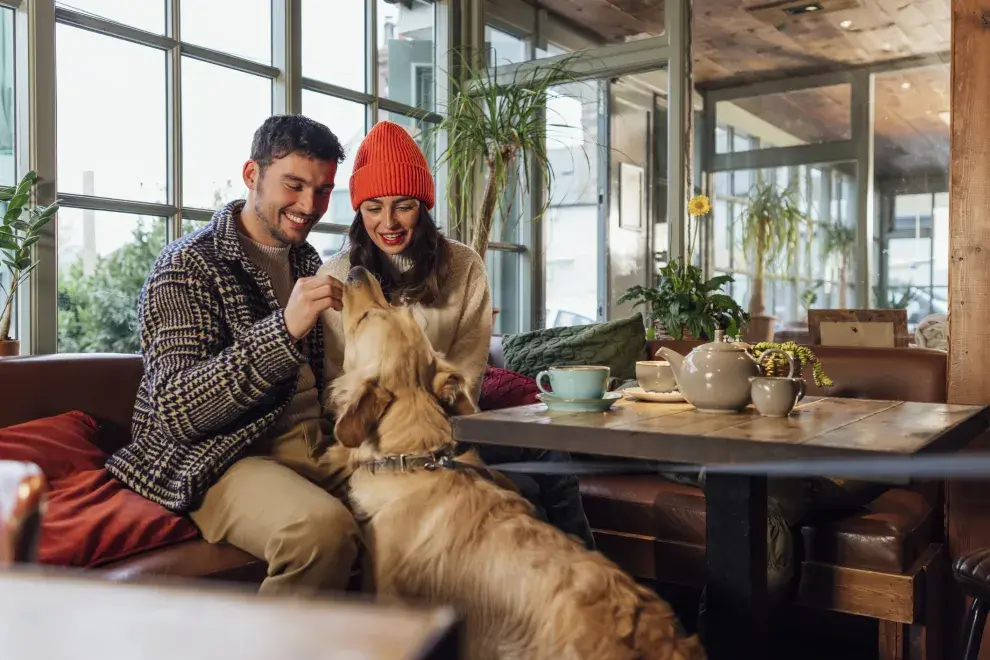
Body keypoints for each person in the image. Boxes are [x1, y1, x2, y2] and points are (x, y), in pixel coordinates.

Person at [106, 115, 361, 596]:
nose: (310, 206)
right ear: (252, 175)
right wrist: (284, 330)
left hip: (318, 444)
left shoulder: (310, 262)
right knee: (319, 533)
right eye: (294, 185)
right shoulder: (185, 266)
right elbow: (179, 409)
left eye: (323, 190)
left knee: (426, 499)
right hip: (221, 456)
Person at [318, 121, 595, 549]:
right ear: (358, 210)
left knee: (551, 451)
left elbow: (467, 375)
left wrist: (450, 438)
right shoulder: (339, 277)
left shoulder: (464, 267)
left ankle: (581, 563)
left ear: (423, 206)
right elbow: (337, 387)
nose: (387, 222)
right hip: (378, 438)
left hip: (451, 423)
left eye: (403, 205)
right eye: (372, 207)